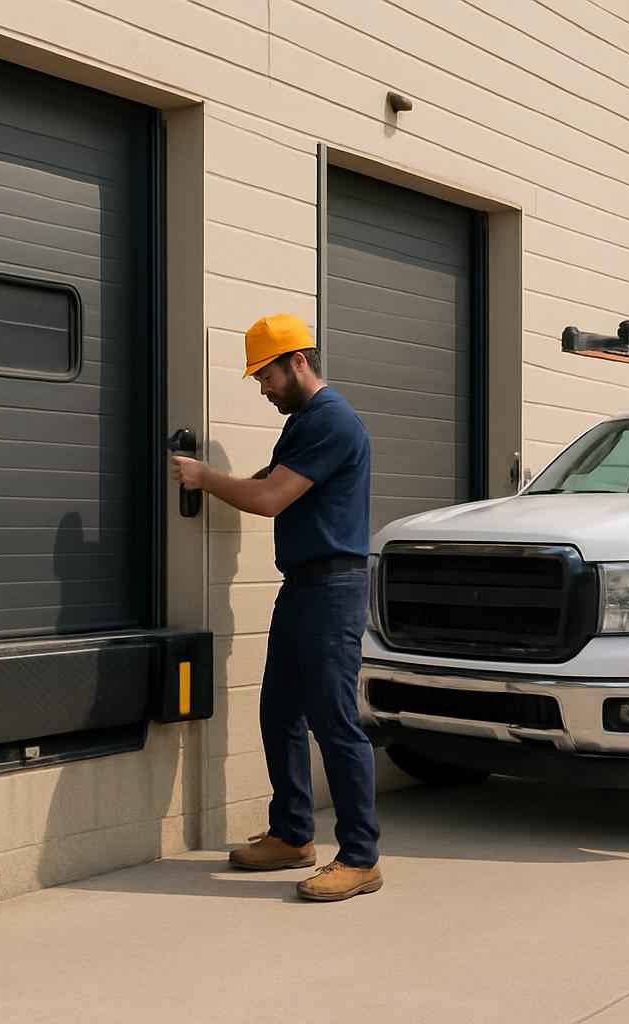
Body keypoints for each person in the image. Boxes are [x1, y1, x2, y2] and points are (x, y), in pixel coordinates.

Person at [171, 313, 382, 902]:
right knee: (279, 713)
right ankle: (293, 835)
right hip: (303, 588)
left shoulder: (332, 421)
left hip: (332, 591)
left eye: (265, 375)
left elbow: (267, 498)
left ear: (298, 362)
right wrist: (222, 480)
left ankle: (361, 857)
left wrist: (205, 477)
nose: (262, 389)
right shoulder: (305, 423)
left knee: (335, 724)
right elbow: (271, 479)